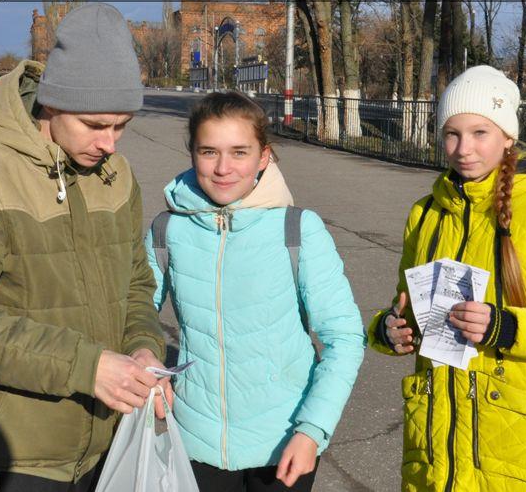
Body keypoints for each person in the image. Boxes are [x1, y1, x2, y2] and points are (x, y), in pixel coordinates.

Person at [0, 3, 170, 492]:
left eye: (122, 126)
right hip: (15, 459)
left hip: (111, 448)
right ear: (52, 104)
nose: (111, 144)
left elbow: (137, 282)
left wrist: (144, 349)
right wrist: (86, 367)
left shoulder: (118, 176)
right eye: (96, 126)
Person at [368, 65, 526, 491]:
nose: (463, 148)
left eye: (479, 133)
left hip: (522, 455)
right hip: (437, 455)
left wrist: (506, 327)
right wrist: (388, 331)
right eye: (451, 133)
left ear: (508, 137)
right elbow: (407, 309)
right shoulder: (425, 214)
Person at [145, 91, 366, 491]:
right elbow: (135, 312)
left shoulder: (297, 229)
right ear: (192, 153)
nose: (224, 167)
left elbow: (345, 337)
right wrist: (147, 368)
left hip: (284, 444)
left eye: (239, 152)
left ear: (263, 157)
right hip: (196, 443)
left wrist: (312, 430)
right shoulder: (167, 230)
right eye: (209, 151)